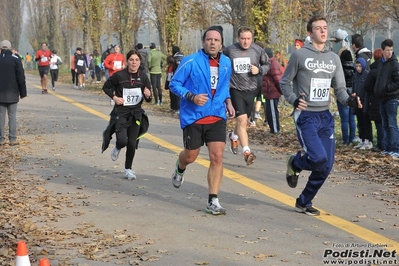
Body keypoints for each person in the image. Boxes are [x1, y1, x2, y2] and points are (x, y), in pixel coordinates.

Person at [280, 15, 362, 216]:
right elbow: (284, 83)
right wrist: (293, 100)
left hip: (325, 116)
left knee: (326, 165)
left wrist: (349, 100)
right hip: (306, 115)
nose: (323, 31)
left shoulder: (334, 58)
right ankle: (295, 162)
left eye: (325, 28)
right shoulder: (299, 56)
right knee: (318, 158)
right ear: (310, 33)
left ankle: (303, 201)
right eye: (318, 28)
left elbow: (340, 89)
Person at [169, 25, 234, 215]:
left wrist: (228, 102)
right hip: (194, 117)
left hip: (217, 116)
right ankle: (180, 168)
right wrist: (191, 96)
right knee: (191, 156)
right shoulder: (190, 61)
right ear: (203, 42)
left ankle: (212, 200)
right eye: (209, 39)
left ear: (221, 44)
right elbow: (174, 84)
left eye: (216, 40)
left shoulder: (227, 63)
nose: (212, 42)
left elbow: (224, 87)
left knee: (217, 157)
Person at [102, 50, 152, 180]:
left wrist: (148, 95)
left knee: (131, 143)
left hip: (136, 114)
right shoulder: (119, 75)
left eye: (136, 60)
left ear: (140, 62)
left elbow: (148, 98)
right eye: (131, 60)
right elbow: (106, 87)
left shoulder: (144, 77)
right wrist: (115, 98)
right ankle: (118, 146)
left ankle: (128, 169)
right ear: (127, 61)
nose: (134, 62)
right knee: (123, 141)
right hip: (121, 113)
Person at [224, 26, 270, 165]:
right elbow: (222, 67)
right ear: (238, 38)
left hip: (251, 89)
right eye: (243, 38)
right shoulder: (230, 50)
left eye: (248, 39)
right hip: (235, 89)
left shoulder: (257, 50)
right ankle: (246, 152)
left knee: (242, 121)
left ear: (252, 39)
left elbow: (268, 64)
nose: (245, 42)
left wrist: (260, 69)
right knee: (243, 121)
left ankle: (233, 136)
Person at [373, 38, 399, 157]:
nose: (389, 52)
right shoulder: (382, 64)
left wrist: (387, 88)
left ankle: (395, 147)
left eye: (391, 50)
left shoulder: (394, 64)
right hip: (382, 98)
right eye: (387, 50)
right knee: (385, 124)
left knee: (391, 123)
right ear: (382, 51)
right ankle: (388, 147)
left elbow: (397, 81)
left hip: (391, 98)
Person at [0, 40, 27, 146]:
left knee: (1, 116)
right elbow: (21, 77)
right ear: (10, 48)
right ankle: (12, 139)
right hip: (12, 92)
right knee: (12, 116)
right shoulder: (16, 59)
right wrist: (23, 92)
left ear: (1, 48)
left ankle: (1, 139)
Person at [364, 48, 385, 152]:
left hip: (375, 99)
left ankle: (381, 144)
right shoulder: (385, 69)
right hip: (386, 97)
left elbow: (367, 87)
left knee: (379, 123)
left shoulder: (372, 72)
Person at [337, 49, 356, 145]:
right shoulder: (354, 67)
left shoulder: (340, 68)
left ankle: (345, 140)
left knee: (344, 119)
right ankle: (352, 139)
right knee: (352, 118)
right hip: (352, 93)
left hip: (343, 93)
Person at [352, 58, 372, 150]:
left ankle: (368, 140)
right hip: (357, 101)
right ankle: (362, 138)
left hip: (364, 101)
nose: (358, 68)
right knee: (360, 121)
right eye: (356, 66)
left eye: (360, 66)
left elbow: (368, 89)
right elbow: (354, 87)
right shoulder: (355, 76)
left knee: (366, 121)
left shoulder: (367, 75)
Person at [262, 47, 283, 133]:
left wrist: (281, 90)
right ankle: (272, 128)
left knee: (273, 112)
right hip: (269, 92)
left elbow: (278, 79)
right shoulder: (269, 63)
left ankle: (275, 129)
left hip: (272, 92)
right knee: (269, 112)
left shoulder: (272, 64)